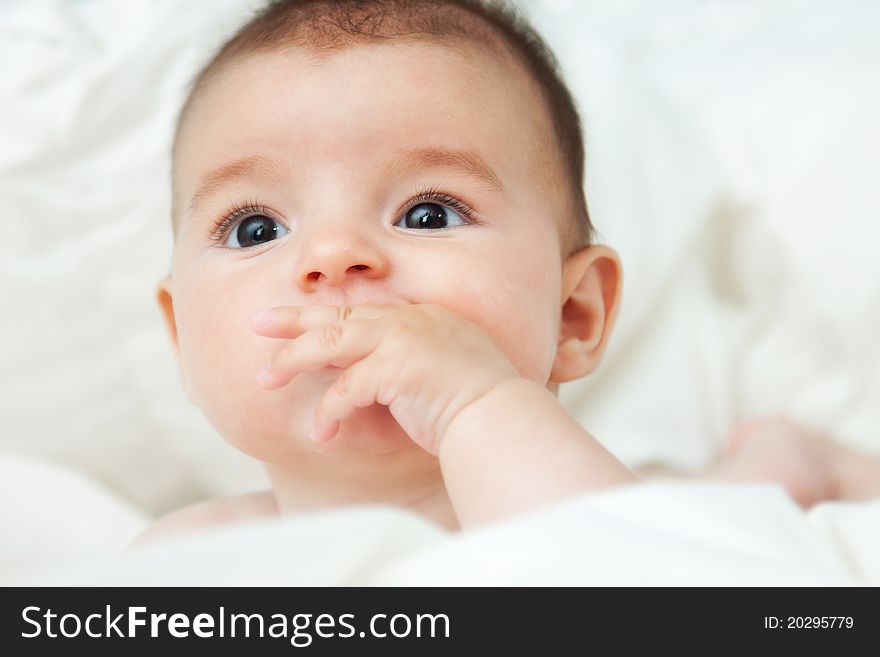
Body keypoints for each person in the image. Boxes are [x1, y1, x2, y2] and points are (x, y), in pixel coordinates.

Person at [135, 0, 880, 545]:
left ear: (573, 315)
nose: (332, 255)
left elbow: (645, 589)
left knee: (727, 507)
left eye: (428, 213)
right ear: (183, 343)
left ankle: (786, 463)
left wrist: (472, 401)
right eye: (254, 227)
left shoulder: (601, 526)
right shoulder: (189, 555)